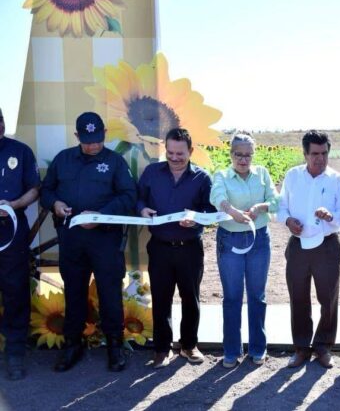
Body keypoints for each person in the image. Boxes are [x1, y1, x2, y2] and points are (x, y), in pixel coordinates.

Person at [40, 111, 137, 372]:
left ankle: (114, 346)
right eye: (87, 141)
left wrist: (101, 215)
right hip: (72, 239)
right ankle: (73, 345)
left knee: (110, 293)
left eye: (97, 140)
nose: (93, 145)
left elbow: (129, 196)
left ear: (105, 134)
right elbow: (46, 190)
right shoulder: (63, 159)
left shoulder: (115, 162)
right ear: (77, 136)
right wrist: (55, 203)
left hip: (105, 239)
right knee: (73, 292)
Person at [137, 127, 216, 369]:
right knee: (161, 298)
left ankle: (189, 345)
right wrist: (142, 209)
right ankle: (162, 349)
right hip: (159, 247)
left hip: (189, 248)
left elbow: (211, 210)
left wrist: (197, 218)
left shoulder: (202, 178)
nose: (174, 158)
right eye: (170, 152)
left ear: (190, 151)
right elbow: (138, 198)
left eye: (180, 153)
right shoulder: (152, 173)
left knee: (190, 298)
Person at [277, 130, 340, 368]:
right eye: (315, 154)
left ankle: (323, 347)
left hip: (327, 246)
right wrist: (288, 221)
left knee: (328, 298)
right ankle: (301, 348)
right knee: (298, 296)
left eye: (324, 153)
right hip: (298, 245)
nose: (320, 159)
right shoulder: (292, 176)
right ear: (305, 154)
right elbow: (281, 207)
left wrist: (330, 216)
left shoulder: (336, 180)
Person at [210, 132, 278, 368]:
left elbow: (275, 201)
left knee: (257, 295)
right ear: (231, 154)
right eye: (238, 154)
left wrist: (260, 207)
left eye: (248, 155)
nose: (243, 159)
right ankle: (231, 351)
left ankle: (258, 348)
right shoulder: (221, 175)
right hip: (229, 240)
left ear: (253, 155)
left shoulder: (262, 174)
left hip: (259, 240)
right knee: (232, 296)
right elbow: (216, 197)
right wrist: (232, 211)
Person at [0, 108, 40, 380]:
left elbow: (35, 189)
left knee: (15, 289)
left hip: (11, 230)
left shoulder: (21, 152)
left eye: (0, 122)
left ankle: (14, 351)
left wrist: (13, 205)